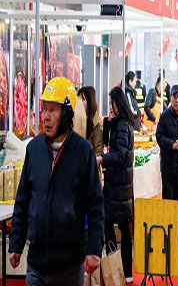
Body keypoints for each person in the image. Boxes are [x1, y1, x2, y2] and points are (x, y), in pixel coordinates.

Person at [9, 77, 104, 285]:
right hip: (36, 261)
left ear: (67, 113)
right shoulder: (33, 149)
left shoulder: (83, 152)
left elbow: (95, 205)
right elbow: (23, 199)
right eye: (44, 109)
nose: (46, 116)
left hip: (69, 264)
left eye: (52, 110)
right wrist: (16, 243)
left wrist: (94, 249)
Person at [100, 87, 135, 283]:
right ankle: (126, 273)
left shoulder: (122, 126)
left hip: (117, 185)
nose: (110, 107)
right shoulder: (122, 123)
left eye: (111, 103)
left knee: (108, 224)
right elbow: (108, 142)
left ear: (117, 103)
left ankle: (115, 269)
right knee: (123, 227)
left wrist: (102, 159)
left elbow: (120, 156)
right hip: (122, 186)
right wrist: (108, 123)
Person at [156, 85, 178, 205]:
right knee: (168, 202)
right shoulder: (164, 116)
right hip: (167, 167)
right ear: (170, 99)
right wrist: (171, 145)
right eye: (175, 97)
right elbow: (159, 136)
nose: (177, 100)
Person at [77, 86, 103, 157]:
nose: (80, 102)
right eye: (79, 99)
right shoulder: (78, 118)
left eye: (83, 99)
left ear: (90, 101)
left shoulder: (97, 123)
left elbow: (98, 151)